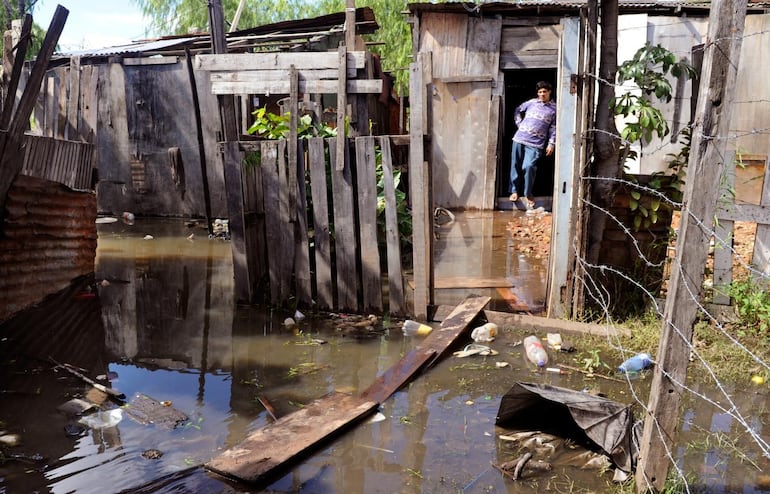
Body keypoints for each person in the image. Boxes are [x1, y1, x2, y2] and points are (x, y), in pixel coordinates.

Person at [509, 81, 556, 211]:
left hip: (536, 143)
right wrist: (520, 124)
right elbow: (518, 110)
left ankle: (528, 193)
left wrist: (551, 144)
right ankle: (514, 191)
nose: (542, 94)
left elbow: (553, 129)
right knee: (516, 165)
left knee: (529, 166)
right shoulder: (531, 103)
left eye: (544, 92)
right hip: (519, 138)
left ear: (549, 92)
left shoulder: (554, 109)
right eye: (540, 92)